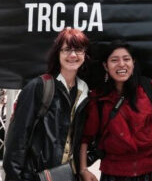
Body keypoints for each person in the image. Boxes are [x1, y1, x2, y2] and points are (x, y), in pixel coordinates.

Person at [79, 39, 152, 181]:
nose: (121, 64)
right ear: (105, 66)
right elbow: (85, 137)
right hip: (114, 174)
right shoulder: (98, 98)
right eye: (114, 60)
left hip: (151, 172)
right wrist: (83, 170)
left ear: (133, 62)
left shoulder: (149, 88)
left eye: (126, 59)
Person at [3, 28, 90, 181]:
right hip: (35, 177)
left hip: (66, 176)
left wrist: (81, 168)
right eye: (67, 49)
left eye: (78, 50)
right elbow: (17, 140)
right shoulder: (39, 87)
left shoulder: (84, 92)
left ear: (85, 54)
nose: (73, 55)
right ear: (58, 53)